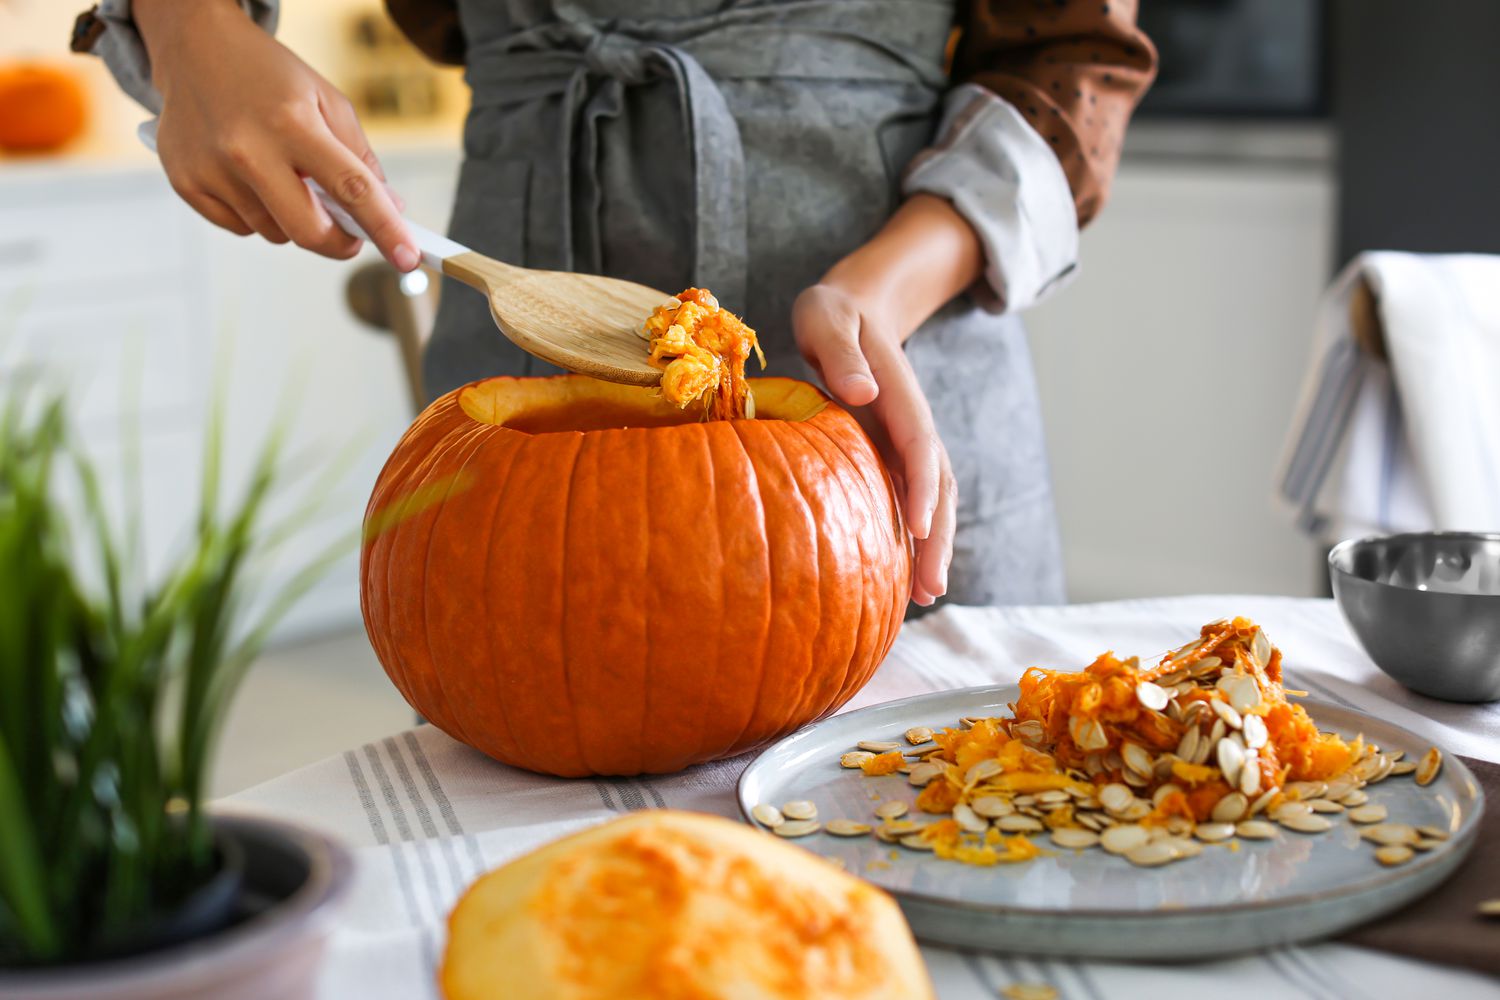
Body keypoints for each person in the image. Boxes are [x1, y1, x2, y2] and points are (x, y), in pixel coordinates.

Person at [75, 0, 1156, 610]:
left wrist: (884, 287)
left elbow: (1070, 66)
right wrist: (186, 24)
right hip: (522, 359)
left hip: (896, 375)